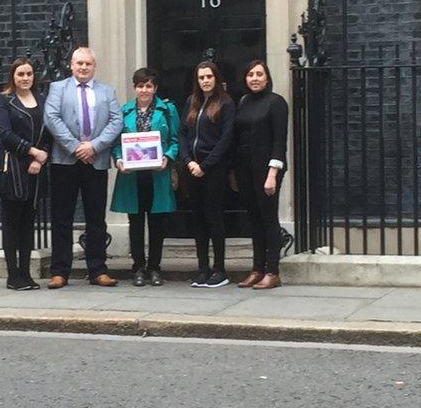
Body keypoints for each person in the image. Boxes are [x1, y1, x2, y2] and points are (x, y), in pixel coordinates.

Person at [43, 46, 122, 289]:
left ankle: (98, 270)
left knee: (96, 217)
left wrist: (94, 147)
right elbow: (51, 118)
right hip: (65, 161)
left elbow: (116, 121)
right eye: (79, 63)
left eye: (88, 64)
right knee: (61, 217)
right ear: (71, 65)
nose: (83, 67)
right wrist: (76, 147)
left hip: (95, 161)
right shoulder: (58, 89)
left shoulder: (106, 91)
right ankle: (60, 271)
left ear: (94, 66)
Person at [111, 68, 180, 287]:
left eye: (148, 86)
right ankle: (138, 267)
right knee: (136, 221)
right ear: (134, 88)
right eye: (140, 86)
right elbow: (116, 143)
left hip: (157, 174)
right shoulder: (124, 112)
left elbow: (176, 140)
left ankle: (155, 267)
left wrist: (168, 157)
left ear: (155, 88)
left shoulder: (167, 110)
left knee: (158, 222)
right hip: (132, 176)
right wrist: (119, 159)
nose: (144, 90)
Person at [0, 57, 52, 291]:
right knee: (11, 222)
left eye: (29, 74)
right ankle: (12, 274)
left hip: (36, 167)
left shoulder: (43, 101)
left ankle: (26, 273)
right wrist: (32, 151)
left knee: (28, 222)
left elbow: (49, 132)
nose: (25, 78)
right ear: (13, 77)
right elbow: (5, 134)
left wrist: (41, 154)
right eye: (21, 74)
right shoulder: (3, 101)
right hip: (13, 167)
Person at [233, 60, 289, 289]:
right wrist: (233, 172)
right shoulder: (244, 102)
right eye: (250, 74)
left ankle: (272, 271)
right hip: (245, 168)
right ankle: (257, 269)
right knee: (253, 219)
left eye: (259, 74)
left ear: (267, 78)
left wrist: (272, 173)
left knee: (268, 219)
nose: (254, 78)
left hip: (266, 169)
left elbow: (279, 140)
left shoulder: (276, 102)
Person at [179, 61, 234, 288]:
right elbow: (182, 134)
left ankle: (219, 269)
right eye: (201, 77)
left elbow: (226, 139)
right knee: (198, 219)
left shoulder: (226, 103)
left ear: (216, 78)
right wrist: (189, 161)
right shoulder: (191, 102)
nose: (205, 81)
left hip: (214, 170)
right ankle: (202, 268)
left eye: (209, 76)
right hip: (192, 169)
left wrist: (205, 165)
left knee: (214, 218)